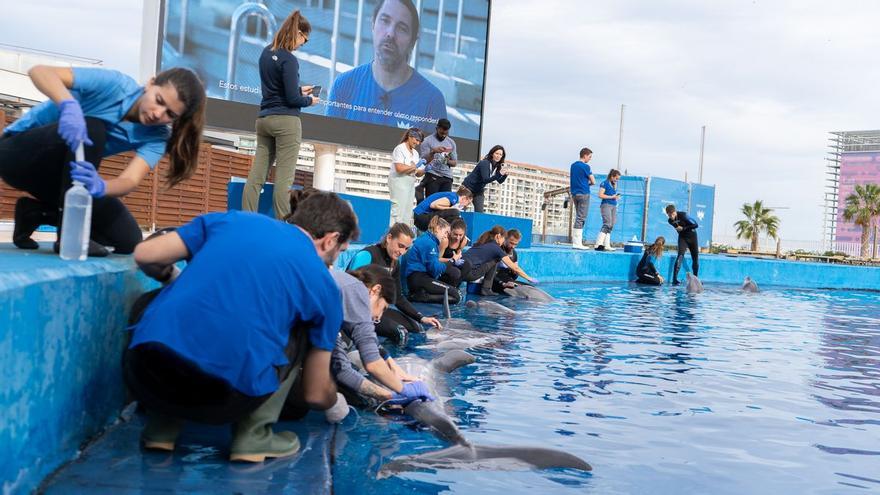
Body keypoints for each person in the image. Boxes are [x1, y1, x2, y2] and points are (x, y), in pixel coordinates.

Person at [124, 191, 358, 462]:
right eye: (337, 254)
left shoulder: (233, 220)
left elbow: (144, 254)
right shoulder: (325, 286)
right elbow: (315, 392)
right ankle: (253, 437)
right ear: (330, 240)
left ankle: (161, 428)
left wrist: (172, 278)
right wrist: (335, 403)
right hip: (223, 400)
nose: (333, 262)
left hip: (145, 377)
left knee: (156, 302)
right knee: (303, 327)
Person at [0, 65, 205, 256]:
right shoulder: (115, 84)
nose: (158, 114)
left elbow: (130, 181)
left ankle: (36, 213)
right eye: (159, 100)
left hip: (62, 177)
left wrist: (101, 186)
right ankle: (71, 235)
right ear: (150, 84)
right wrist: (69, 105)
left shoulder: (157, 136)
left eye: (170, 114)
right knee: (94, 127)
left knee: (128, 240)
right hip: (15, 156)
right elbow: (39, 71)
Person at [242, 10, 319, 220]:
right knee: (283, 181)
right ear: (298, 33)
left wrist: (298, 91)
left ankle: (246, 220)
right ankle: (282, 227)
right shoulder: (289, 59)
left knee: (256, 176)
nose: (302, 44)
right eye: (304, 40)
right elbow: (293, 100)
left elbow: (278, 90)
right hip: (286, 122)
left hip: (264, 118)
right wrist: (309, 100)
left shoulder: (265, 53)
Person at [325, 0, 446, 130]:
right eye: (385, 21)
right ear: (373, 25)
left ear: (413, 42)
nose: (390, 33)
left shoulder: (432, 101)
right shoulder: (343, 86)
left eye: (402, 28)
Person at [330, 264, 434, 409]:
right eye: (383, 308)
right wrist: (399, 392)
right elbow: (367, 365)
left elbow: (343, 363)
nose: (378, 317)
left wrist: (393, 366)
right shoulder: (355, 294)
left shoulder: (339, 287)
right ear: (375, 290)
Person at [347, 223, 442, 344]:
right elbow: (349, 291)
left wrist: (421, 317)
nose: (402, 252)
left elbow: (398, 297)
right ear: (389, 238)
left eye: (406, 249)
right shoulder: (367, 255)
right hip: (357, 311)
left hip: (378, 310)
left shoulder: (395, 263)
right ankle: (385, 359)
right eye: (400, 246)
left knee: (417, 328)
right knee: (400, 332)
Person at [461, 225, 537, 296]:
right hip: (489, 278)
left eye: (515, 244)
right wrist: (528, 278)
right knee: (495, 261)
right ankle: (486, 289)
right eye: (511, 243)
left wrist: (514, 273)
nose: (513, 246)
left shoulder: (512, 253)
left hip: (465, 270)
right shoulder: (497, 249)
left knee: (518, 278)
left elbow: (515, 269)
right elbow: (514, 268)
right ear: (502, 238)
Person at [403, 216, 462, 304]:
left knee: (453, 276)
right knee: (455, 296)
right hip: (419, 279)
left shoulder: (428, 239)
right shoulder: (429, 243)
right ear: (438, 228)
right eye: (445, 232)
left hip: (419, 278)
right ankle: (420, 297)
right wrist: (452, 260)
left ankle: (422, 294)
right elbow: (435, 269)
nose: (446, 236)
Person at [388, 128, 426, 226]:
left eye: (419, 141)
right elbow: (399, 168)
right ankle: (392, 233)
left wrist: (426, 169)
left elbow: (418, 173)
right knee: (398, 210)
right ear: (410, 136)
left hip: (410, 183)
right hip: (399, 181)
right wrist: (414, 166)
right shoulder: (400, 148)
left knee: (407, 211)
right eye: (416, 140)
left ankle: (403, 235)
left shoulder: (415, 153)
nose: (417, 143)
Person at [416, 118, 458, 202]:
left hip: (447, 177)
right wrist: (433, 151)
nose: (443, 135)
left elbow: (454, 163)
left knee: (444, 205)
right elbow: (424, 161)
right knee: (431, 203)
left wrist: (445, 161)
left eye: (446, 133)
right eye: (441, 133)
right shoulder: (427, 141)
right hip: (432, 175)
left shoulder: (451, 142)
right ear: (437, 129)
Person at [462, 145, 509, 213]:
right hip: (468, 188)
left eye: (500, 154)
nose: (498, 156)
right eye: (496, 153)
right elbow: (486, 179)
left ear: (502, 156)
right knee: (461, 210)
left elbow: (500, 181)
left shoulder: (497, 166)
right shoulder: (485, 163)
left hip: (479, 191)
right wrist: (499, 174)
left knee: (480, 213)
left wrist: (505, 175)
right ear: (492, 153)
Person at [666, 204, 700, 285]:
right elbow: (678, 228)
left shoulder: (683, 215)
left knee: (695, 258)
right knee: (680, 255)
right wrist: (681, 230)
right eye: (669, 215)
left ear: (675, 212)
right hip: (683, 238)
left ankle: (696, 279)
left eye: (672, 214)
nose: (671, 216)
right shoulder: (670, 221)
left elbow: (696, 225)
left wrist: (684, 228)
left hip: (692, 237)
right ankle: (674, 279)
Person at [569, 147, 595, 250]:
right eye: (589, 156)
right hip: (584, 193)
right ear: (585, 155)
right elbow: (593, 181)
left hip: (575, 194)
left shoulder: (573, 165)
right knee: (581, 217)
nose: (590, 159)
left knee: (578, 217)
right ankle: (577, 243)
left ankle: (577, 242)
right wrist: (586, 183)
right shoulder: (586, 166)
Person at [595, 169, 622, 251]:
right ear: (612, 176)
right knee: (607, 223)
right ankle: (598, 244)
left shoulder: (614, 185)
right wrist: (612, 197)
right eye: (616, 178)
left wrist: (616, 197)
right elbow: (600, 195)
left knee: (611, 225)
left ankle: (607, 245)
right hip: (606, 205)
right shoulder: (604, 183)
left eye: (618, 179)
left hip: (613, 205)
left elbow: (613, 195)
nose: (617, 180)